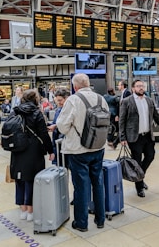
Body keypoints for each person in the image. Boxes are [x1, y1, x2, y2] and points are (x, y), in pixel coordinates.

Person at [56, 73, 108, 232]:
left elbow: (62, 126)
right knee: (98, 183)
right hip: (98, 147)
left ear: (75, 86)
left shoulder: (73, 100)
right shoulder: (101, 99)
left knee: (81, 187)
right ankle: (100, 220)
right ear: (88, 84)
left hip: (78, 150)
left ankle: (81, 223)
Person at [119, 79, 159, 198]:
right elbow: (122, 121)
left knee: (150, 155)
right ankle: (139, 187)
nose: (141, 88)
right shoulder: (127, 101)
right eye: (138, 86)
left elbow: (157, 117)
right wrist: (122, 137)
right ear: (133, 89)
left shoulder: (149, 100)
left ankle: (140, 177)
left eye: (142, 86)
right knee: (136, 161)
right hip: (134, 137)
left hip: (147, 136)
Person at [9, 89, 54, 222]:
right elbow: (43, 134)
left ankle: (22, 209)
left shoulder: (15, 111)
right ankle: (31, 210)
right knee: (32, 179)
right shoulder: (36, 113)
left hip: (17, 149)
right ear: (35, 99)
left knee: (19, 178)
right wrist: (50, 150)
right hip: (33, 150)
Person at [48, 88, 70, 165]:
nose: (58, 102)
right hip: (58, 143)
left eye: (60, 100)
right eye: (57, 100)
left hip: (66, 144)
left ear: (66, 98)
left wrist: (56, 126)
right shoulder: (59, 109)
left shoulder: (70, 110)